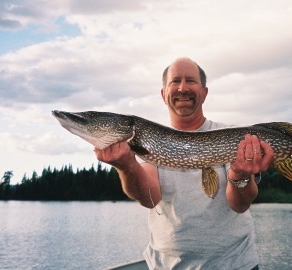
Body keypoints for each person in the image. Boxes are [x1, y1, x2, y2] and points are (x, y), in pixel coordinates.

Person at [95, 57, 274, 269]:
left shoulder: (235, 137)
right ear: (163, 94)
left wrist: (240, 177)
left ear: (204, 92)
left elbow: (239, 203)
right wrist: (127, 167)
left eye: (190, 80)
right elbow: (150, 198)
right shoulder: (150, 142)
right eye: (174, 81)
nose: (182, 88)